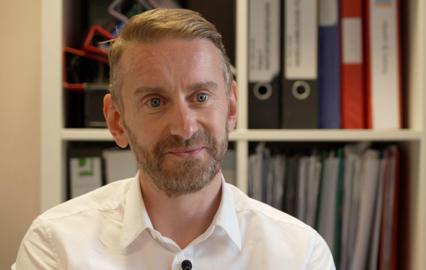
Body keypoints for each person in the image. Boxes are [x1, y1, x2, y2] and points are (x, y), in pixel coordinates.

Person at [13, 8, 335, 270]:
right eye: (155, 101)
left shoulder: (299, 254)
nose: (184, 127)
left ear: (232, 107)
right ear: (116, 120)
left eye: (201, 97)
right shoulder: (56, 246)